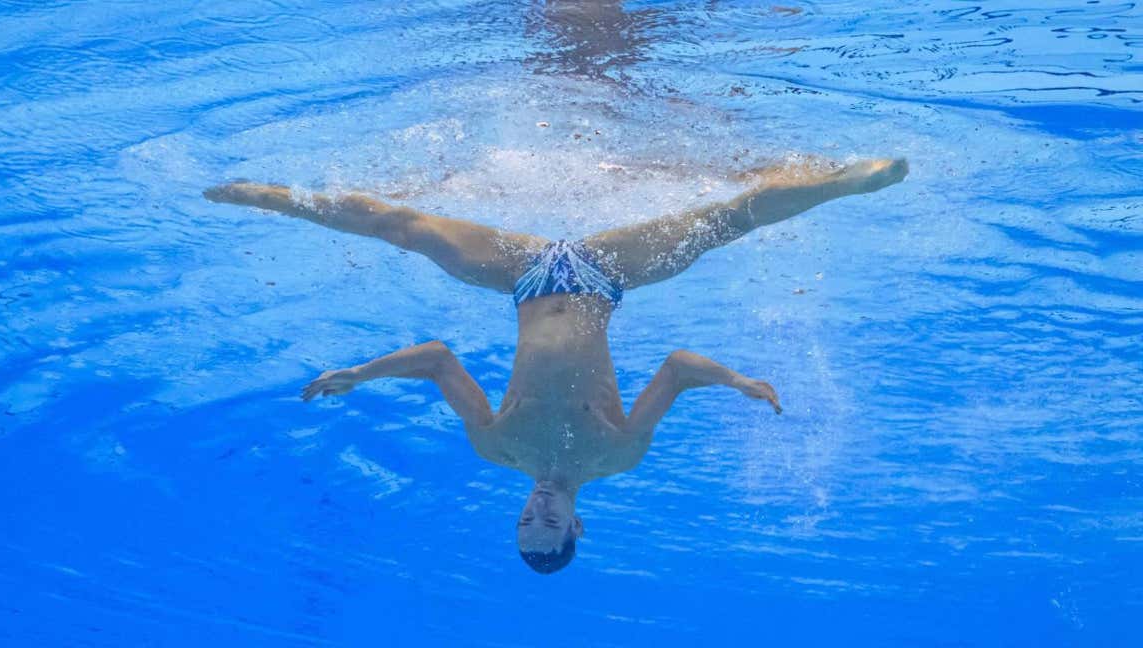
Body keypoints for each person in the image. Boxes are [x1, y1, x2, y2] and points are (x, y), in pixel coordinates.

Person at [204, 155, 909, 574]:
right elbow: (676, 369)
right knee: (723, 223)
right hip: (604, 273)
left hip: (523, 277)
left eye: (523, 524)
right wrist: (736, 382)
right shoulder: (617, 453)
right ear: (577, 527)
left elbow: (439, 361)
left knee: (403, 228)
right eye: (549, 525)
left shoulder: (496, 444)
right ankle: (841, 183)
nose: (536, 511)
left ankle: (270, 198)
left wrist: (359, 374)